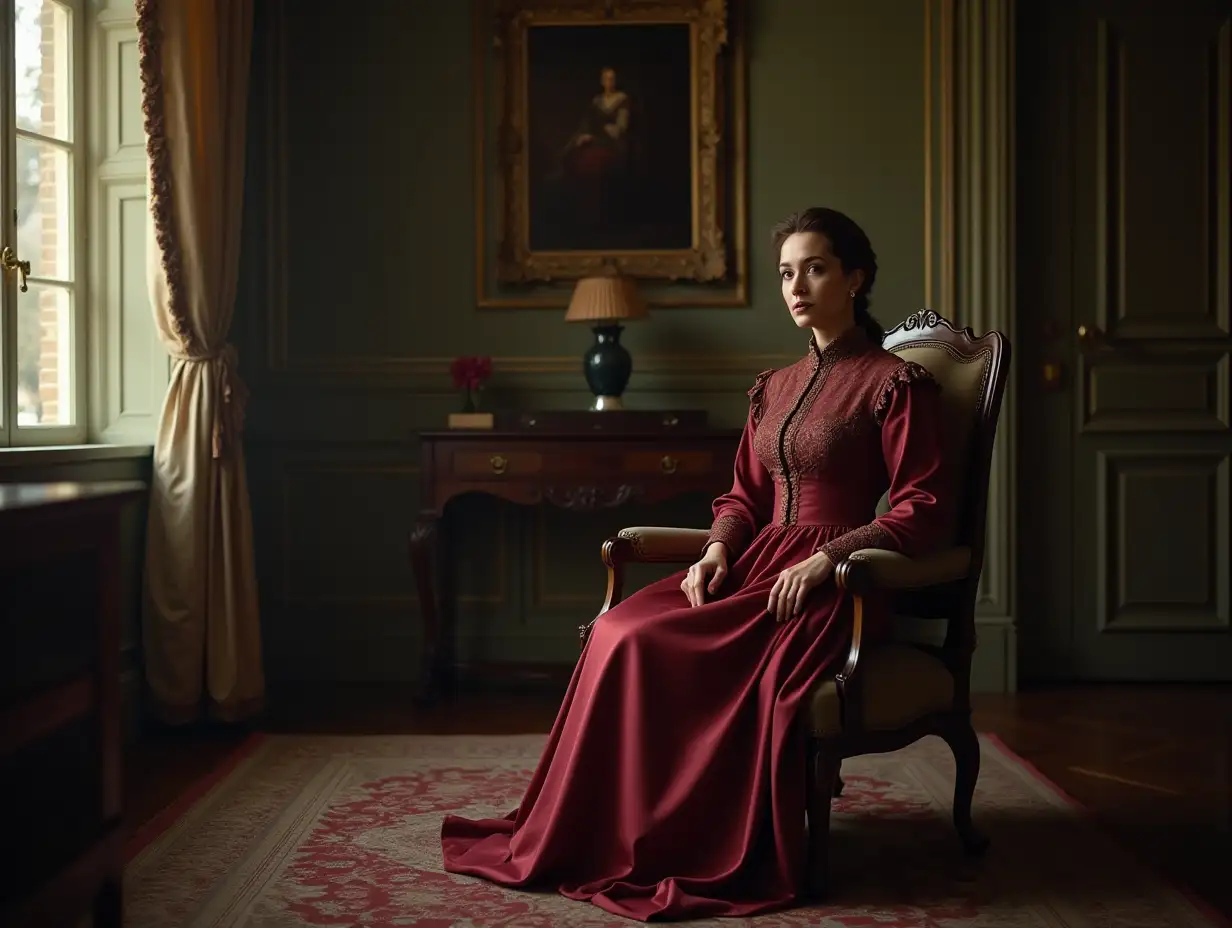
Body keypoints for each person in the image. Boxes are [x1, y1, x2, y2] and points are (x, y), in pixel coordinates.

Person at [439, 206, 955, 921]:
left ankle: (674, 841)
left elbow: (923, 507)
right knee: (621, 628)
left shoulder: (894, 382)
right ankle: (607, 832)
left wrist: (831, 558)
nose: (797, 285)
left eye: (815, 267)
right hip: (752, 566)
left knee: (648, 642)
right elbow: (742, 495)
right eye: (785, 273)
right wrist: (715, 549)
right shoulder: (771, 386)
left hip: (826, 587)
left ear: (855, 276)